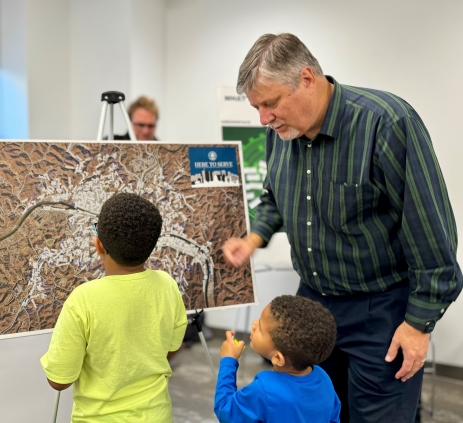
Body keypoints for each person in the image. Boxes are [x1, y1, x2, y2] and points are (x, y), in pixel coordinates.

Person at [222, 33, 463, 423]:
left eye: (269, 104)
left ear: (306, 79)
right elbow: (274, 197)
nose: (263, 119)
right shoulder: (280, 134)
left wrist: (419, 324)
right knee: (315, 414)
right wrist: (254, 238)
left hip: (381, 310)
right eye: (256, 108)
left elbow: (430, 231)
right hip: (313, 304)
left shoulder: (386, 123)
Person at [40, 193, 187, 422]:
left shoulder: (83, 299)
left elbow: (59, 380)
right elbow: (173, 346)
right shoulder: (167, 285)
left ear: (98, 244)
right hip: (157, 415)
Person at [214, 295, 340, 423]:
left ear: (278, 358)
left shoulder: (264, 389)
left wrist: (228, 360)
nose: (254, 324)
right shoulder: (323, 378)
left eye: (261, 329)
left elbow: (225, 410)